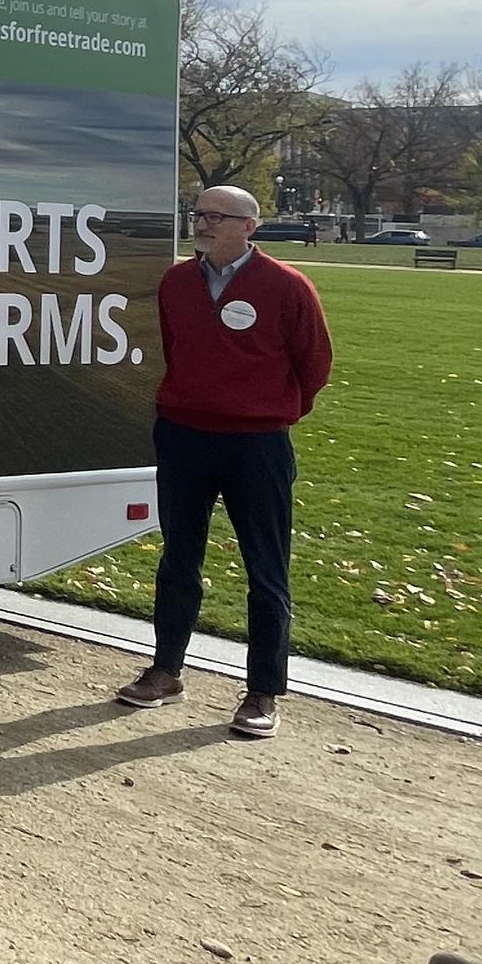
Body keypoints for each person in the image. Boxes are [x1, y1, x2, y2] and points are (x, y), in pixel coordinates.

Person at [116, 186, 333, 740]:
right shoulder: (176, 282)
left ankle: (263, 691)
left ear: (249, 227)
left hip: (256, 446)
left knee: (266, 571)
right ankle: (166, 672)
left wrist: (269, 413)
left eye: (216, 216)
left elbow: (314, 364)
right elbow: (175, 347)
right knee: (179, 559)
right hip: (185, 437)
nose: (203, 223)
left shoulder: (286, 286)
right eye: (199, 214)